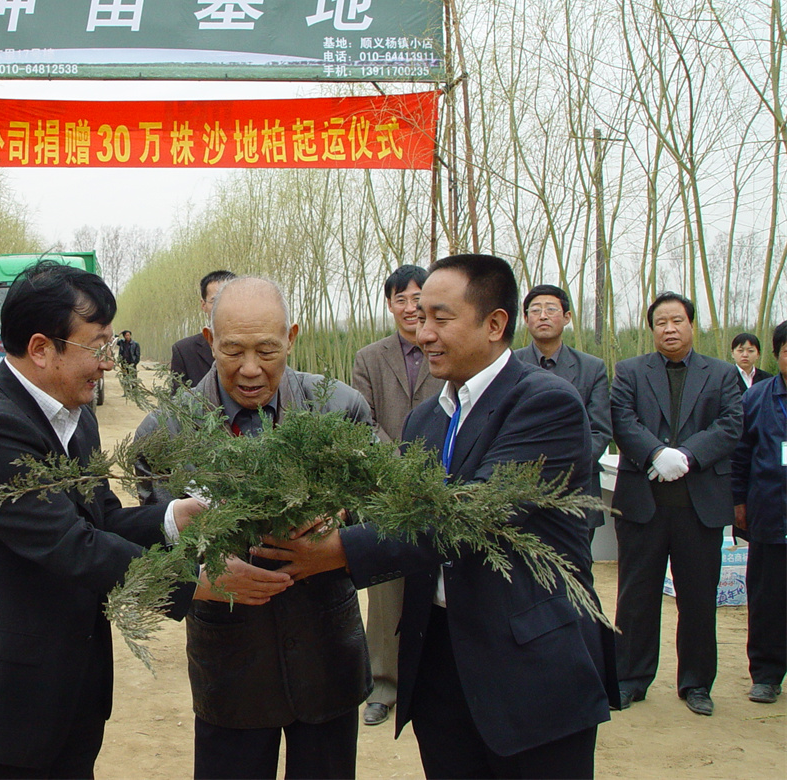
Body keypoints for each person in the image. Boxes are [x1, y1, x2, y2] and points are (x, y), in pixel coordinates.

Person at [256, 254, 614, 780]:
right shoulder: (427, 418)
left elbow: (468, 516)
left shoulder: (544, 404)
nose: (423, 333)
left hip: (528, 666)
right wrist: (327, 512)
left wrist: (338, 551)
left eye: (440, 318)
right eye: (420, 317)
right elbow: (396, 505)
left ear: (495, 324)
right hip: (440, 661)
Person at [0, 261, 201, 779]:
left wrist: (176, 517)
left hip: (66, 690)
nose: (107, 364)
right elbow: (72, 545)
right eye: (98, 346)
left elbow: (101, 518)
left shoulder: (76, 417)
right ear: (42, 348)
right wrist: (198, 586)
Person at [136, 276, 371, 780]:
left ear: (292, 337)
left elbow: (383, 509)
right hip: (230, 665)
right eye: (232, 350)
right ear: (209, 341)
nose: (249, 368)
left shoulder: (340, 408)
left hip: (327, 656)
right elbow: (154, 541)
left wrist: (341, 523)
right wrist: (205, 570)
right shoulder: (166, 432)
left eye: (266, 350)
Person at [610, 291, 743, 716]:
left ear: (692, 325)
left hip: (699, 506)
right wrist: (654, 454)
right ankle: (630, 678)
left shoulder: (722, 374)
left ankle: (696, 683)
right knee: (636, 597)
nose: (669, 329)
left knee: (699, 599)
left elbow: (731, 424)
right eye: (661, 322)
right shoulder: (630, 371)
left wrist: (686, 455)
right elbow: (622, 419)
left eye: (677, 321)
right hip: (643, 504)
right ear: (652, 329)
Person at [350, 264, 443, 728]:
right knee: (387, 591)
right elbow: (362, 420)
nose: (410, 308)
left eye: (417, 298)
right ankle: (383, 685)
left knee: (439, 584)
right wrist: (398, 463)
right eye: (400, 299)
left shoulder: (445, 348)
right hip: (384, 488)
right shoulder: (369, 358)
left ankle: (430, 681)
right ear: (389, 304)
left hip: (440, 485)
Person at [515, 284, 612, 545]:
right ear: (526, 319)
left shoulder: (592, 368)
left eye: (551, 309)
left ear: (567, 317)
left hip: (577, 489)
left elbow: (600, 430)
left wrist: (565, 469)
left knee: (576, 565)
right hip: (520, 491)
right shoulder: (509, 365)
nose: (543, 316)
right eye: (535, 310)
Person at [730, 319, 786, 705]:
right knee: (768, 598)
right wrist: (739, 503)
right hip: (770, 512)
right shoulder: (758, 398)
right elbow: (740, 455)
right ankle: (766, 674)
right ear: (777, 355)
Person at [169, 270, 236, 391]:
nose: (223, 306)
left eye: (231, 299)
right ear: (203, 305)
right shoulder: (184, 351)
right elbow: (179, 399)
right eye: (215, 300)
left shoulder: (261, 347)